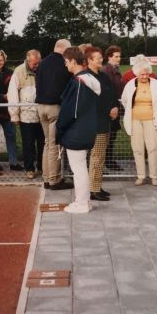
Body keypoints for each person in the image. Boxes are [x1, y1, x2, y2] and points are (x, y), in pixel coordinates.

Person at [56, 47, 101, 214]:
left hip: (77, 131)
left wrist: (59, 127)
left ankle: (81, 203)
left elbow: (70, 111)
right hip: (86, 129)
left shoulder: (79, 82)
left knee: (79, 169)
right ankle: (85, 201)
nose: (66, 65)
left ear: (74, 61)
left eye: (66, 62)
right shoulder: (89, 78)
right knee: (81, 167)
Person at [36, 39, 73, 190]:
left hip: (41, 108)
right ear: (64, 49)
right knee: (55, 145)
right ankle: (54, 179)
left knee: (47, 143)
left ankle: (46, 177)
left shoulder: (42, 63)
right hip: (55, 108)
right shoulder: (64, 64)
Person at [121, 55, 157, 186]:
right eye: (142, 74)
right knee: (137, 148)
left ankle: (154, 176)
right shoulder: (130, 84)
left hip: (152, 119)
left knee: (153, 148)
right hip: (135, 120)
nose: (144, 77)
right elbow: (124, 100)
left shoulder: (156, 84)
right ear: (136, 73)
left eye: (146, 74)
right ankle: (141, 176)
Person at [85, 46, 117, 201]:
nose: (101, 59)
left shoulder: (103, 76)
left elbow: (110, 94)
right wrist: (108, 109)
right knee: (96, 156)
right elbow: (91, 102)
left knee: (101, 156)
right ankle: (93, 189)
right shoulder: (86, 78)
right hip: (95, 123)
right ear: (89, 60)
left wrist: (114, 106)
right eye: (98, 57)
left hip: (105, 122)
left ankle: (97, 185)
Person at [8, 49, 44, 179]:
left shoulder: (43, 69)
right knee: (28, 144)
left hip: (42, 114)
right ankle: (29, 168)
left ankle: (42, 167)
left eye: (39, 62)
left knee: (43, 143)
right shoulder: (19, 71)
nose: (37, 66)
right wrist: (14, 115)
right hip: (26, 115)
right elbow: (12, 94)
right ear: (28, 60)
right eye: (34, 63)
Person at [102, 45, 124, 171]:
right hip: (110, 110)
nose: (119, 58)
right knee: (108, 136)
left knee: (113, 135)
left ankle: (109, 159)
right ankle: (107, 161)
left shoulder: (116, 70)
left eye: (119, 56)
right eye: (116, 56)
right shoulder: (106, 70)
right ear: (109, 57)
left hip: (116, 108)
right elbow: (108, 91)